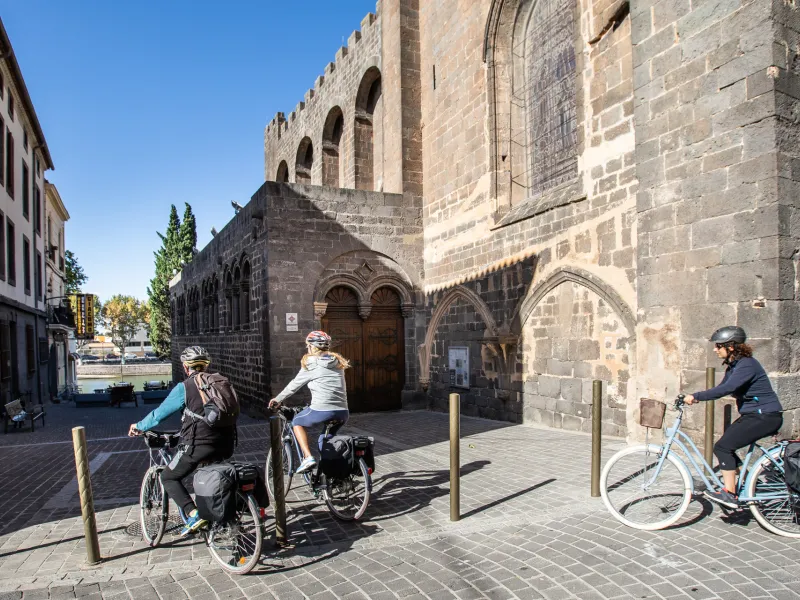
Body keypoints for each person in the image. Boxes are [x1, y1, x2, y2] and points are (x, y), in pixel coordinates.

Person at [128, 346, 236, 536]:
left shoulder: (184, 387)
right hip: (227, 443)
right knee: (214, 477)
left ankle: (193, 513)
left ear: (186, 367)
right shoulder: (220, 382)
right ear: (206, 365)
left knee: (168, 477)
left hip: (198, 445)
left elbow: (159, 414)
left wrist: (139, 426)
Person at [684, 326, 783, 509]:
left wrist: (696, 395)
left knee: (722, 447)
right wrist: (699, 397)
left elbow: (726, 389)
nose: (715, 349)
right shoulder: (734, 365)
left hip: (764, 416)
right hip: (755, 415)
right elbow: (722, 388)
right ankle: (743, 483)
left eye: (718, 346)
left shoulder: (747, 364)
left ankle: (730, 494)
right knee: (725, 446)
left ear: (730, 346)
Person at [268, 331, 350, 474]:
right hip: (342, 412)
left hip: (322, 409)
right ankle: (328, 476)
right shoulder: (337, 362)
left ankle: (307, 457)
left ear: (312, 347)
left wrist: (277, 399)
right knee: (325, 439)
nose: (307, 348)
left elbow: (294, 385)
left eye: (308, 346)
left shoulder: (312, 362)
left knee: (297, 422)